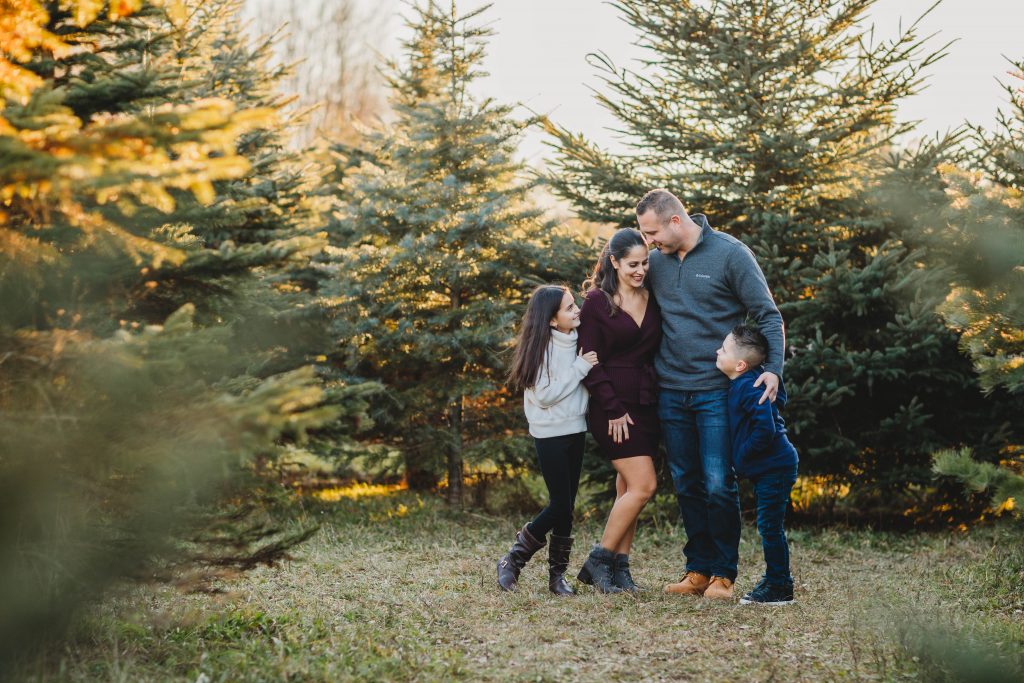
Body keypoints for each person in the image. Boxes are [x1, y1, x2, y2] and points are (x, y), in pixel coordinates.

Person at [636, 188, 785, 601]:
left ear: (676, 221)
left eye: (652, 233)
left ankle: (723, 573)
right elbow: (625, 287)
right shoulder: (657, 262)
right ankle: (697, 569)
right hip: (671, 389)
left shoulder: (731, 254)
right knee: (686, 482)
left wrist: (772, 369)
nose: (649, 242)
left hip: (718, 392)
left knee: (720, 482)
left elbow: (768, 314)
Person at [575, 228, 662, 593]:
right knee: (644, 485)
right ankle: (599, 560)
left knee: (628, 486)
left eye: (644, 263)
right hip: (612, 406)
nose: (640, 270)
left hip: (646, 402)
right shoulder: (597, 301)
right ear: (614, 261)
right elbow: (588, 361)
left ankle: (620, 570)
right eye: (632, 264)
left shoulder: (651, 295)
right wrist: (611, 408)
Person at [498, 284, 598, 595]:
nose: (577, 310)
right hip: (550, 432)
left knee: (567, 506)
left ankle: (557, 578)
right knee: (559, 504)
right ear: (553, 320)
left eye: (574, 304)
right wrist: (581, 367)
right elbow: (544, 396)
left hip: (575, 428)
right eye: (569, 308)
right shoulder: (541, 348)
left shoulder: (579, 340)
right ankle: (514, 558)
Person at [715, 326, 799, 605]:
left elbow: (766, 430)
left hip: (776, 466)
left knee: (769, 526)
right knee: (768, 525)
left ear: (740, 364)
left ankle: (779, 585)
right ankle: (777, 579)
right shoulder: (744, 382)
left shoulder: (751, 387)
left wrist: (743, 458)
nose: (718, 351)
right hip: (771, 467)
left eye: (724, 349)